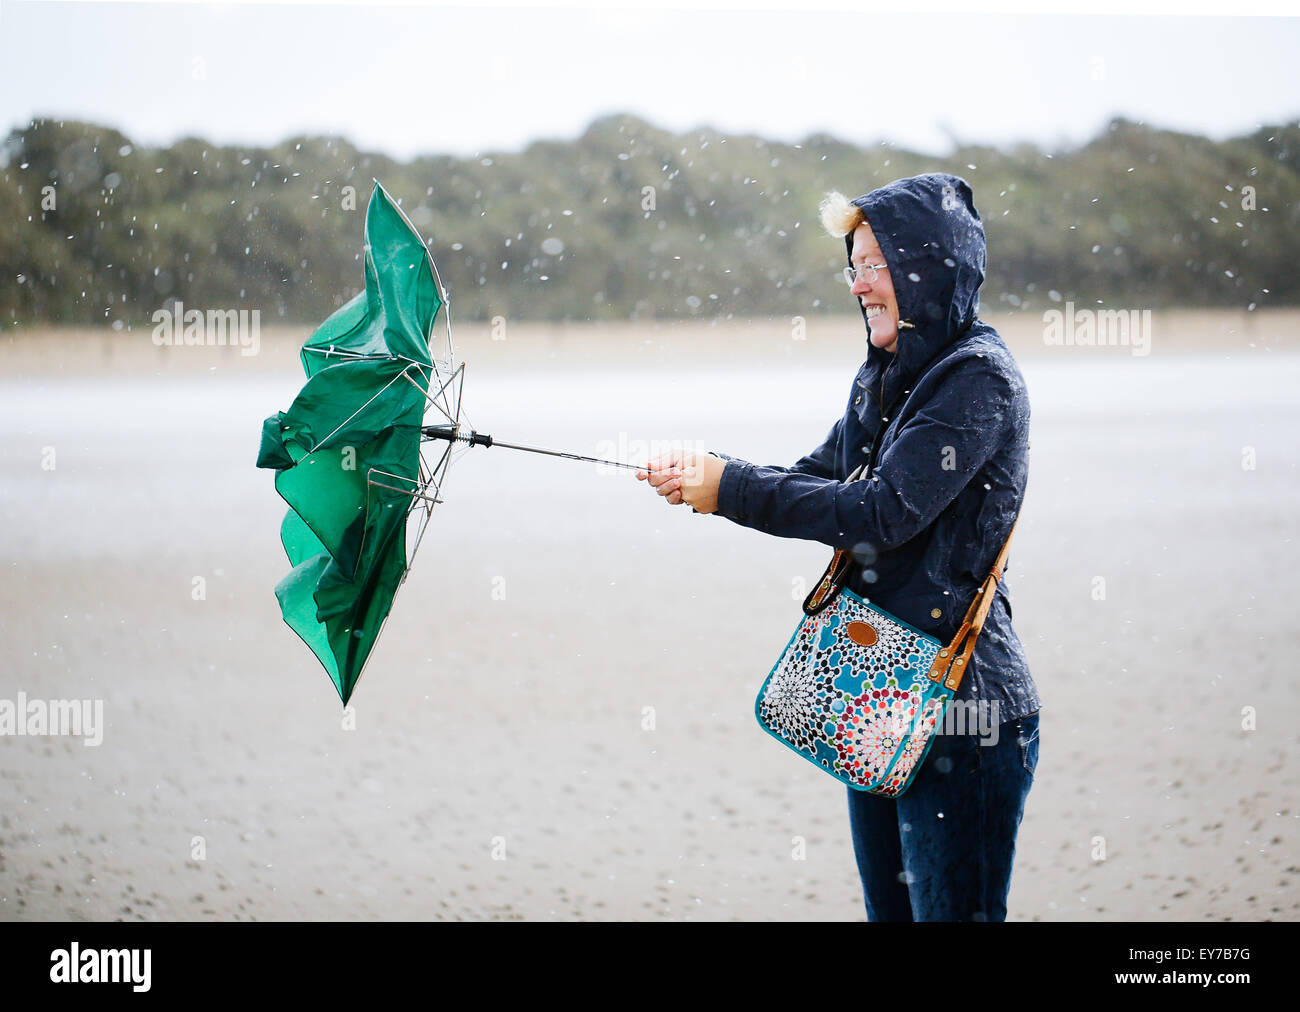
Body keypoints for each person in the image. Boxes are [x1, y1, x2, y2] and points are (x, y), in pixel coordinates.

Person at [636, 173, 1040, 922]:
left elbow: (881, 513)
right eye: (852, 266)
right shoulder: (888, 375)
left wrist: (729, 488)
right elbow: (818, 479)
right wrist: (708, 474)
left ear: (931, 267)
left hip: (965, 711)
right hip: (881, 688)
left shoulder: (976, 380)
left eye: (874, 265)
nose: (858, 286)